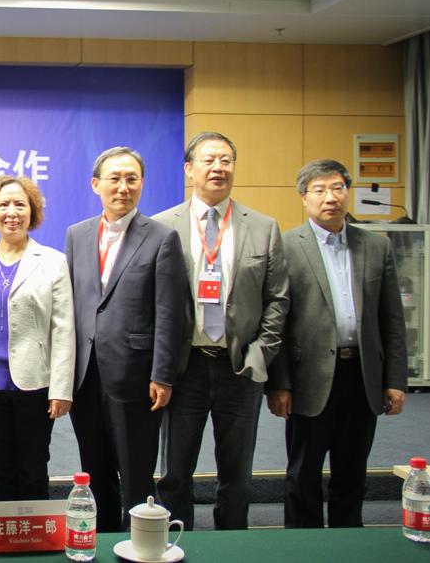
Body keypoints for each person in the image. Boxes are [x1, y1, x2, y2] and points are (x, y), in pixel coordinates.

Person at [154, 131, 289, 530]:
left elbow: (278, 299)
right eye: (209, 160)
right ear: (189, 168)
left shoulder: (263, 227)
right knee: (175, 471)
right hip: (185, 367)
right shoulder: (162, 227)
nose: (218, 168)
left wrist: (259, 354)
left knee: (237, 474)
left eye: (226, 160)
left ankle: (234, 543)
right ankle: (175, 542)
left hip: (240, 366)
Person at [266, 159, 407, 528]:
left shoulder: (376, 246)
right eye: (319, 190)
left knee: (353, 471)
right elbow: (277, 322)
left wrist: (395, 380)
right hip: (307, 378)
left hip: (362, 376)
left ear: (348, 193)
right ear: (304, 198)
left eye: (337, 188)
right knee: (302, 474)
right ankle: (304, 545)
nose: (330, 197)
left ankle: (348, 540)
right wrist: (278, 384)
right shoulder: (285, 246)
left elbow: (392, 320)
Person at [65, 147, 188, 531]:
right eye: (114, 178)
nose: (123, 187)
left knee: (136, 473)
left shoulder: (162, 238)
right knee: (94, 470)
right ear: (96, 184)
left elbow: (170, 312)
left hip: (136, 375)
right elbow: (72, 305)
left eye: (131, 179)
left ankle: (139, 544)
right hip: (85, 376)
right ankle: (99, 540)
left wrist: (163, 374)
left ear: (142, 184)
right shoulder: (77, 235)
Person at [0, 175, 75, 501]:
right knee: (0, 468)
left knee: (33, 468)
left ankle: (34, 531)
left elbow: (63, 329)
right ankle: (6, 530)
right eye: (3, 204)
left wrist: (61, 389)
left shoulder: (53, 262)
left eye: (20, 204)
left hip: (35, 384)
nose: (12, 212)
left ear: (31, 211)